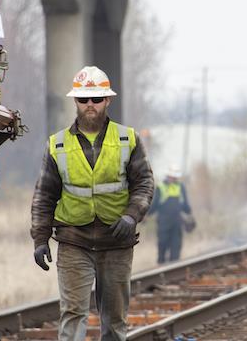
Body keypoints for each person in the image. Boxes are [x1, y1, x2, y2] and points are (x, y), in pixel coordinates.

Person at [30, 66, 155, 341]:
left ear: (107, 101)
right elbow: (44, 196)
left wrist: (131, 217)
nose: (90, 105)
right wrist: (40, 239)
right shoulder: (57, 144)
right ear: (75, 101)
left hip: (117, 242)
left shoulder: (128, 139)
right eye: (84, 99)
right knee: (73, 315)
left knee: (114, 321)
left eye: (96, 99)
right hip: (74, 241)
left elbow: (144, 184)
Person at [148, 166, 193, 264]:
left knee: (175, 249)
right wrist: (146, 215)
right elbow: (154, 205)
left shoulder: (181, 187)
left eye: (175, 177)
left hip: (177, 223)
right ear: (167, 176)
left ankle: (173, 270)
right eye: (171, 176)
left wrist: (190, 215)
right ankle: (161, 267)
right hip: (163, 223)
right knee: (162, 246)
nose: (173, 178)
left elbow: (185, 205)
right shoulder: (160, 187)